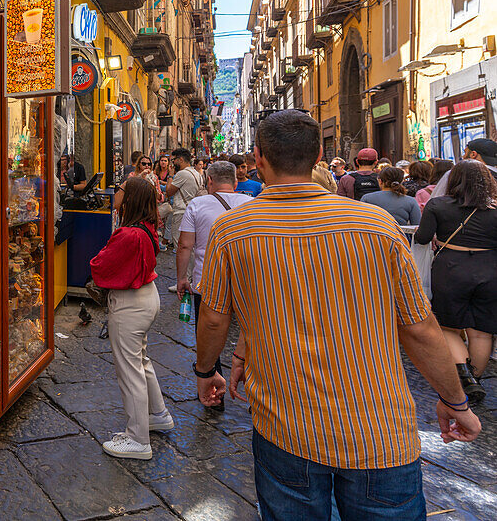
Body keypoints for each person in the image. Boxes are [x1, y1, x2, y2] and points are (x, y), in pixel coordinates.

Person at [194, 110, 480, 520]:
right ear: (318, 157)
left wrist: (208, 371)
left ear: (258, 158)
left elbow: (215, 317)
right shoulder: (375, 225)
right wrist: (454, 400)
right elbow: (419, 328)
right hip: (379, 429)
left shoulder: (234, 230)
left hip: (285, 427)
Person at [89, 177, 173, 460]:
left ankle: (138, 439)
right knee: (141, 361)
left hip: (130, 303)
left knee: (130, 371)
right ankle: (157, 414)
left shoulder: (128, 234)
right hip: (147, 297)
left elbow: (100, 265)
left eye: (121, 189)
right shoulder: (146, 228)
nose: (116, 192)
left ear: (131, 197)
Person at [414, 160, 497, 405]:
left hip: (451, 269)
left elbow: (422, 237)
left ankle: (465, 378)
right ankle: (476, 379)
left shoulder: (438, 205)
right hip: (490, 270)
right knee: (482, 332)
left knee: (448, 327)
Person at [175, 160, 251, 409]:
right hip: (244, 283)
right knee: (251, 334)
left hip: (206, 282)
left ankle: (212, 387)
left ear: (209, 180)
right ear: (235, 182)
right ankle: (253, 392)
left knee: (208, 334)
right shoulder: (252, 205)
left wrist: (181, 278)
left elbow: (185, 245)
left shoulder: (197, 204)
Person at [429, 138, 497, 200]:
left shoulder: (453, 174)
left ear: (473, 154)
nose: (463, 156)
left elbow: (435, 202)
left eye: (465, 152)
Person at [163, 148, 202, 247]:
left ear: (180, 160)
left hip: (181, 213)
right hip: (193, 211)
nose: (173, 163)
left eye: (173, 160)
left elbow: (169, 192)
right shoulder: (197, 174)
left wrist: (170, 176)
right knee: (190, 245)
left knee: (180, 245)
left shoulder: (182, 173)